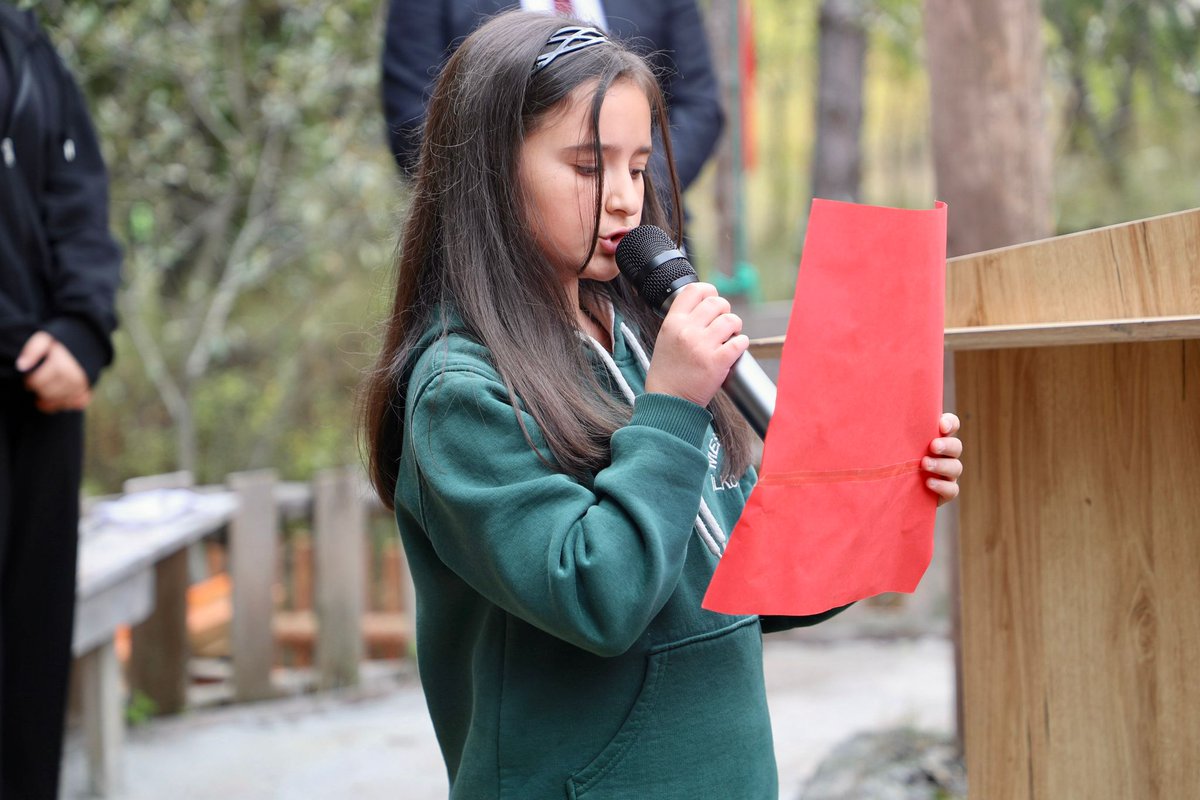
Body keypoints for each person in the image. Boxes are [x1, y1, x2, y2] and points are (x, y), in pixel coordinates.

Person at [361, 12, 962, 798]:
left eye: (638, 167)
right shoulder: (457, 393)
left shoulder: (637, 343)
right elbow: (599, 595)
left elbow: (743, 577)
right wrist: (673, 405)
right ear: (487, 173)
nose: (624, 201)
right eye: (587, 166)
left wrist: (877, 496)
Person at [0, 4, 121, 796]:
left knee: (28, 665)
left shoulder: (23, 39)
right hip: (20, 357)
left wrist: (80, 331)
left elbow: (78, 192)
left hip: (43, 396)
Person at [380, 0, 723, 203]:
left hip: (646, 250)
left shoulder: (628, 199)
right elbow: (414, 120)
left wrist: (629, 187)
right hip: (495, 264)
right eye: (587, 167)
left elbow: (699, 104)